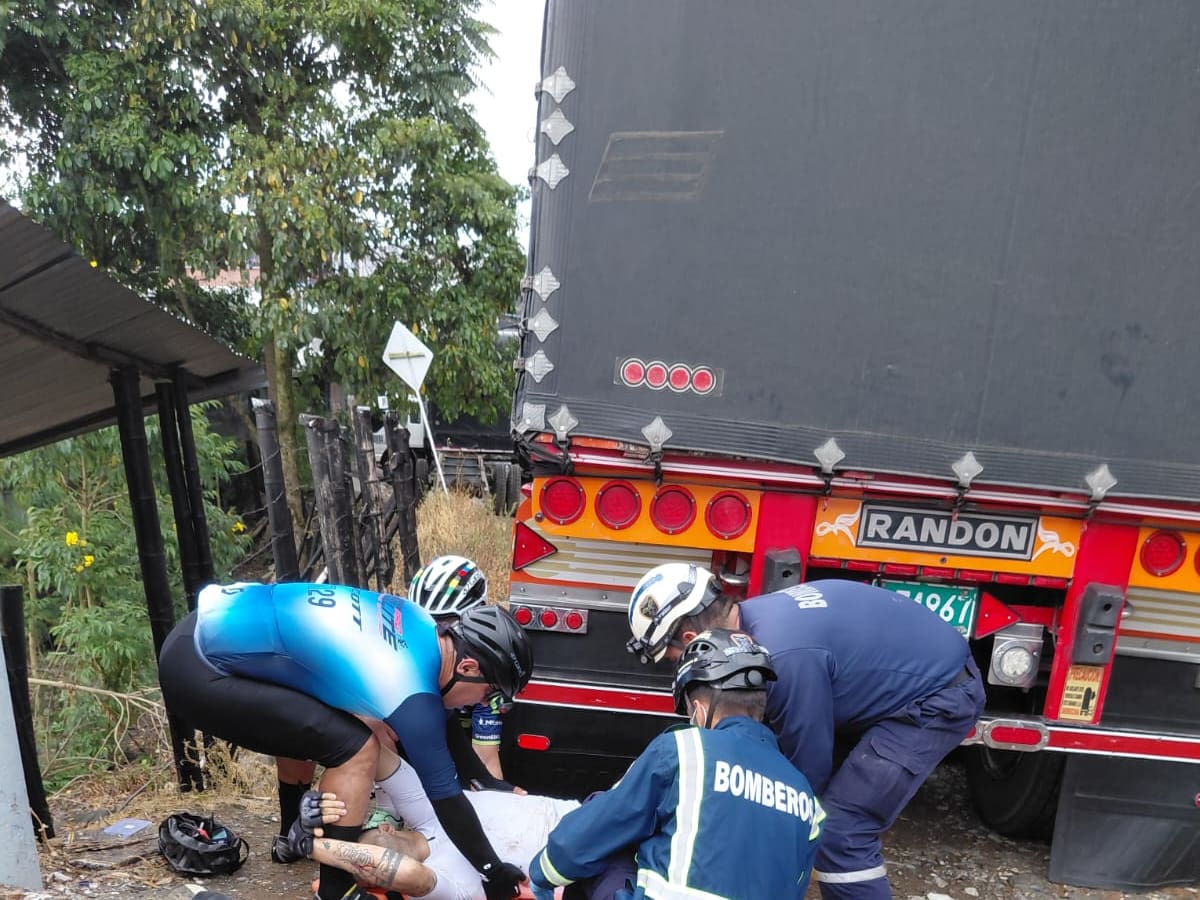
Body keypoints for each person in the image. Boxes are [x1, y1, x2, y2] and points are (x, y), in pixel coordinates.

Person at [625, 565, 987, 900]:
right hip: (906, 677)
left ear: (690, 638)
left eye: (673, 658)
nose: (679, 667)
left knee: (842, 829)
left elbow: (803, 778)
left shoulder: (784, 659)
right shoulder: (755, 622)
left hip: (938, 696)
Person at [157, 581, 533, 900]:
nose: (485, 704)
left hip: (205, 628)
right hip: (200, 671)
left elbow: (446, 724)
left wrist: (489, 783)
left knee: (319, 718)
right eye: (490, 693)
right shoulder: (410, 689)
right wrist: (492, 870)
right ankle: (336, 892)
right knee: (356, 749)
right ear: (468, 668)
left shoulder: (421, 624)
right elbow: (446, 798)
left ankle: (291, 837)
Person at [526, 629, 824, 899]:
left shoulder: (685, 750)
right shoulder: (805, 796)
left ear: (699, 708)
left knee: (608, 824)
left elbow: (596, 829)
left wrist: (542, 874)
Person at [303, 741, 580, 900]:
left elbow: (366, 748)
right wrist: (311, 848)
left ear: (385, 827)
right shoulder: (440, 877)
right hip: (583, 859)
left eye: (363, 847)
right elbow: (411, 876)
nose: (364, 865)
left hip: (587, 813)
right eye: (359, 874)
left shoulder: (425, 809)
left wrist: (318, 801)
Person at [409, 555, 512, 786]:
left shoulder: (483, 669)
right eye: (424, 623)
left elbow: (486, 759)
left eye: (444, 625)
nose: (434, 636)